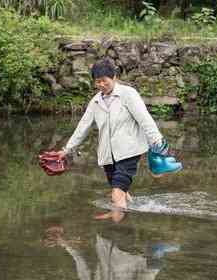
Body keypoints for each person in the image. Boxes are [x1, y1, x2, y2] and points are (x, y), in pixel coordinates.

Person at [57, 58, 181, 222]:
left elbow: (145, 119)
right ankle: (128, 220)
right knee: (121, 192)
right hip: (107, 156)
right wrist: (66, 150)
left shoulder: (128, 94)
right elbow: (82, 127)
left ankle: (117, 227)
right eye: (97, 82)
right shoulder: (95, 101)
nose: (101, 84)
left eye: (104, 81)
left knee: (116, 192)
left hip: (128, 152)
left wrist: (158, 142)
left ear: (114, 77)